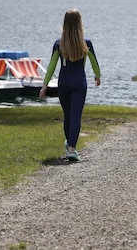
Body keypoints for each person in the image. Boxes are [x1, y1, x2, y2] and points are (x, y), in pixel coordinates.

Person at [39, 9, 101, 162]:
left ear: (64, 24)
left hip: (64, 83)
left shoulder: (58, 44)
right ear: (80, 24)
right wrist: (97, 76)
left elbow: (52, 65)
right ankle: (72, 148)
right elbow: (94, 63)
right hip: (79, 82)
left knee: (67, 115)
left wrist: (45, 85)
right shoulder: (86, 44)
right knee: (75, 116)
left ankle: (70, 146)